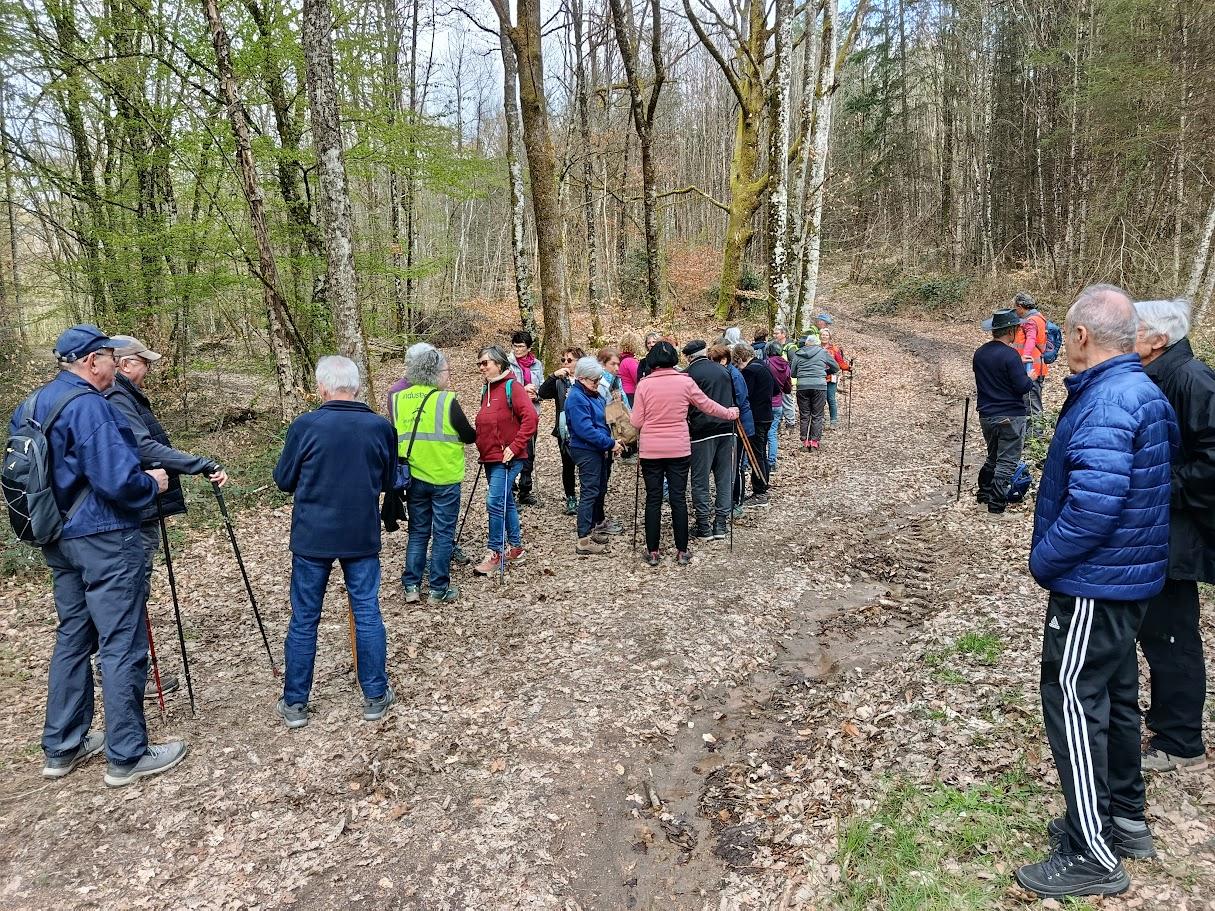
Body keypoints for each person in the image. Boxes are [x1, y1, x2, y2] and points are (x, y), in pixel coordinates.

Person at [1016, 285, 1177, 900]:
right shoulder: (1141, 391)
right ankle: (1126, 819)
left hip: (1095, 583)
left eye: (1065, 333)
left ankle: (1094, 853)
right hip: (1126, 579)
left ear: (1081, 336)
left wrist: (1044, 560)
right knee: (1112, 695)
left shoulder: (1109, 400)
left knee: (1074, 703)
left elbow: (1094, 505)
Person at [16, 325, 177, 786]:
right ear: (92, 361)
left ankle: (62, 746)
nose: (115, 364)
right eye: (110, 356)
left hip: (57, 535)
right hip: (104, 538)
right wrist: (154, 484)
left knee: (73, 637)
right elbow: (119, 481)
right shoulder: (90, 408)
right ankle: (127, 753)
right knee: (121, 640)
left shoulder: (33, 404)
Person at [273, 356, 399, 729]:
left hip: (313, 536)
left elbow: (284, 479)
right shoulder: (380, 427)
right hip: (360, 533)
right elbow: (390, 478)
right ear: (356, 387)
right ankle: (374, 695)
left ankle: (296, 703)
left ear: (323, 388)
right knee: (366, 610)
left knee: (305, 618)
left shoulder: (306, 425)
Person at [103, 335, 229, 701]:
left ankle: (122, 669)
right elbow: (142, 446)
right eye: (145, 362)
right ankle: (123, 673)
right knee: (130, 590)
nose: (149, 368)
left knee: (132, 588)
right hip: (134, 510)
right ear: (125, 364)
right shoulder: (117, 397)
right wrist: (198, 463)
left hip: (137, 506)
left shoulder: (122, 395)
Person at [1133, 297, 1214, 773]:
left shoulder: (1191, 378)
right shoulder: (1161, 374)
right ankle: (1168, 724)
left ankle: (1181, 741)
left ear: (1160, 339)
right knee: (1156, 631)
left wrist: (1164, 485)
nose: (1128, 337)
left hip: (1176, 531)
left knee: (1171, 633)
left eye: (1135, 330)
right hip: (1160, 528)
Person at [629, 341, 738, 565]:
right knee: (678, 497)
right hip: (679, 448)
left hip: (651, 450)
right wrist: (728, 413)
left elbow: (636, 421)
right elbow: (706, 405)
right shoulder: (685, 382)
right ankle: (682, 550)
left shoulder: (644, 385)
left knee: (653, 499)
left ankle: (653, 551)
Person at [391, 344, 476, 605]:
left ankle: (412, 587)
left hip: (414, 477)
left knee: (418, 532)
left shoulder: (398, 399)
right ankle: (438, 589)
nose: (448, 375)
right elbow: (469, 436)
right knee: (442, 534)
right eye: (447, 370)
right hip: (445, 478)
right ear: (436, 372)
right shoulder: (446, 400)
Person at [473, 345, 538, 575]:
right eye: (479, 363)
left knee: (494, 502)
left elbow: (530, 418)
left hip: (508, 458)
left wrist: (515, 445)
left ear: (498, 364)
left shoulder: (513, 387)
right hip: (490, 458)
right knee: (505, 501)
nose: (481, 367)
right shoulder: (486, 390)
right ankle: (516, 548)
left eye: (485, 363)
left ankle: (495, 551)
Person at [971, 309, 1034, 514]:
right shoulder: (1010, 355)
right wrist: (1030, 377)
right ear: (1011, 331)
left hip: (986, 415)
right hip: (1010, 416)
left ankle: (983, 495)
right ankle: (996, 506)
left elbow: (992, 378)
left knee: (992, 457)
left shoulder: (980, 353)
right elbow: (1022, 387)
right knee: (1007, 462)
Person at [563, 357, 622, 555]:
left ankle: (594, 526)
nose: (597, 384)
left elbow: (601, 420)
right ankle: (583, 538)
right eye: (593, 381)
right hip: (586, 450)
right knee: (589, 492)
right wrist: (610, 443)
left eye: (598, 380)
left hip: (598, 448)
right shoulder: (576, 398)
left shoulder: (592, 394)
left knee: (599, 488)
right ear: (581, 379)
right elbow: (585, 430)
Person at [683, 340, 737, 540]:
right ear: (705, 352)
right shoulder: (723, 370)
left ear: (689, 357)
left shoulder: (687, 374)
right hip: (727, 428)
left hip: (701, 431)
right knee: (724, 479)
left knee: (700, 480)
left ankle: (703, 525)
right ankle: (721, 524)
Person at [537, 346, 585, 516]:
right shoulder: (559, 381)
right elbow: (542, 393)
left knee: (586, 465)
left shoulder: (586, 380)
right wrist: (552, 376)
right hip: (564, 430)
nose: (566, 363)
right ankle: (571, 497)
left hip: (584, 428)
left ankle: (588, 499)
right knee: (568, 465)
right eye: (563, 360)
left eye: (569, 360)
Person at [711, 343, 754, 513]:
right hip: (727, 423)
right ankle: (727, 500)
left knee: (737, 465)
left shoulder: (733, 374)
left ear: (723, 359)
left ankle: (737, 501)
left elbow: (741, 399)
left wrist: (729, 410)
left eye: (714, 361)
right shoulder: (723, 373)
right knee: (727, 465)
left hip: (741, 423)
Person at [733, 344, 775, 508]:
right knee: (761, 453)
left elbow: (745, 395)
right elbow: (776, 389)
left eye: (738, 363)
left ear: (741, 358)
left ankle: (760, 492)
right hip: (766, 415)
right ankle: (763, 485)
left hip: (756, 417)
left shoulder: (750, 371)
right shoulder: (764, 366)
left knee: (755, 455)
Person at [508, 330, 543, 506]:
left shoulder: (537, 365)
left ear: (529, 348)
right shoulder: (507, 363)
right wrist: (522, 391)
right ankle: (511, 487)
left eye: (521, 346)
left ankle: (525, 489)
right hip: (512, 414)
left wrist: (535, 394)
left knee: (529, 451)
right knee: (513, 449)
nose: (517, 349)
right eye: (515, 346)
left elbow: (542, 388)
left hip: (532, 411)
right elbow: (505, 387)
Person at [789, 334, 838, 449]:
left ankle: (805, 441)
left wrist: (802, 374)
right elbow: (835, 367)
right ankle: (814, 441)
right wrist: (824, 371)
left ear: (806, 343)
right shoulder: (823, 352)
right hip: (819, 386)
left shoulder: (798, 353)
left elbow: (793, 373)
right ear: (817, 343)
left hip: (802, 386)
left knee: (804, 414)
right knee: (817, 414)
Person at [1013, 291, 1050, 424]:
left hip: (1031, 369)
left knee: (1032, 405)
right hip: (1035, 367)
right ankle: (1032, 437)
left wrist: (1025, 357)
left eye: (1015, 307)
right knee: (1030, 404)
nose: (1015, 310)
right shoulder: (1038, 317)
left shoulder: (1031, 321)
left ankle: (1036, 437)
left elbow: (1031, 339)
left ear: (1021, 306)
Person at [765, 341, 792, 472]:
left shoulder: (766, 364)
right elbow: (788, 388)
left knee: (760, 433)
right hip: (778, 403)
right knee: (772, 433)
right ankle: (772, 462)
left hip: (765, 402)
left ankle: (753, 461)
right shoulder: (786, 366)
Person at [820, 328, 850, 430]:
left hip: (831, 377)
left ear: (829, 337)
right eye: (823, 335)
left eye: (826, 335)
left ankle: (833, 420)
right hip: (819, 377)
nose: (824, 337)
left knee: (831, 398)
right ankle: (821, 420)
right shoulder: (816, 347)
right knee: (820, 400)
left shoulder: (834, 349)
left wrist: (848, 368)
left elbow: (840, 363)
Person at [773, 325, 798, 432]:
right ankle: (779, 422)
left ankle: (790, 423)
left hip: (787, 379)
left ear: (784, 334)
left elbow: (793, 363)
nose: (774, 335)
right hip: (777, 378)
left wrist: (787, 375)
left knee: (787, 401)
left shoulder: (790, 347)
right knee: (779, 400)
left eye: (777, 333)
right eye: (774, 333)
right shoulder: (774, 345)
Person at [618, 332, 642, 406]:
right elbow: (638, 379)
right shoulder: (630, 361)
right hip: (631, 394)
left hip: (624, 392)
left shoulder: (621, 359)